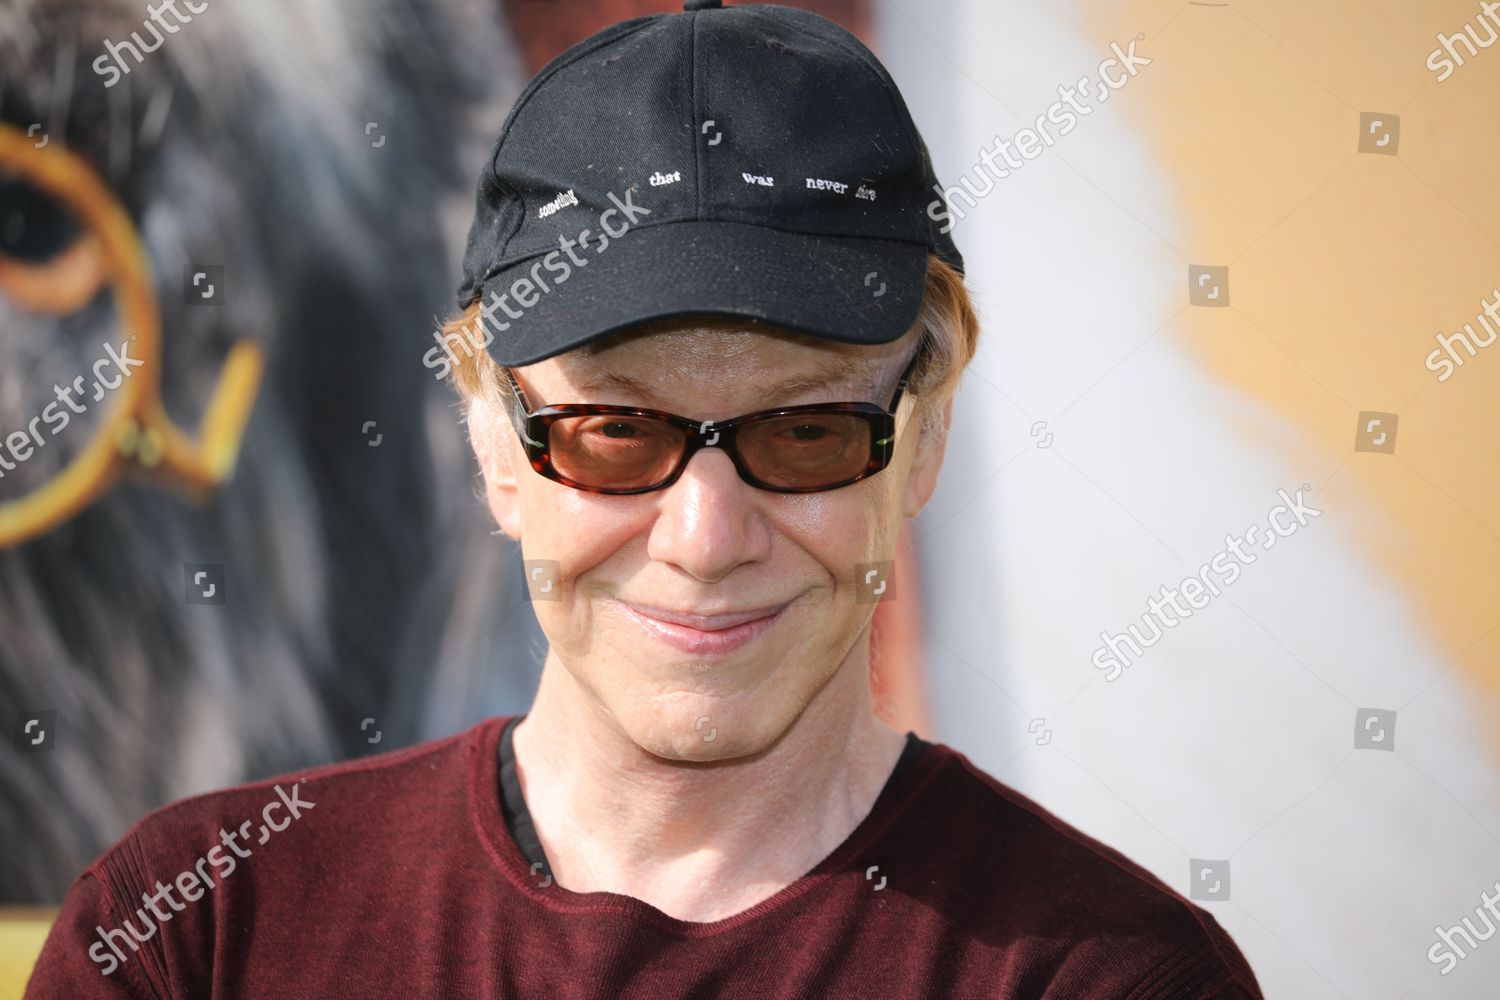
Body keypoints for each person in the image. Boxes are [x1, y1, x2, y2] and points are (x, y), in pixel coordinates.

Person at [26, 2, 1264, 996]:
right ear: (492, 441)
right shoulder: (194, 935)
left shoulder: (1114, 974)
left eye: (807, 429)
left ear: (924, 437)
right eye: (615, 431)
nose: (707, 536)